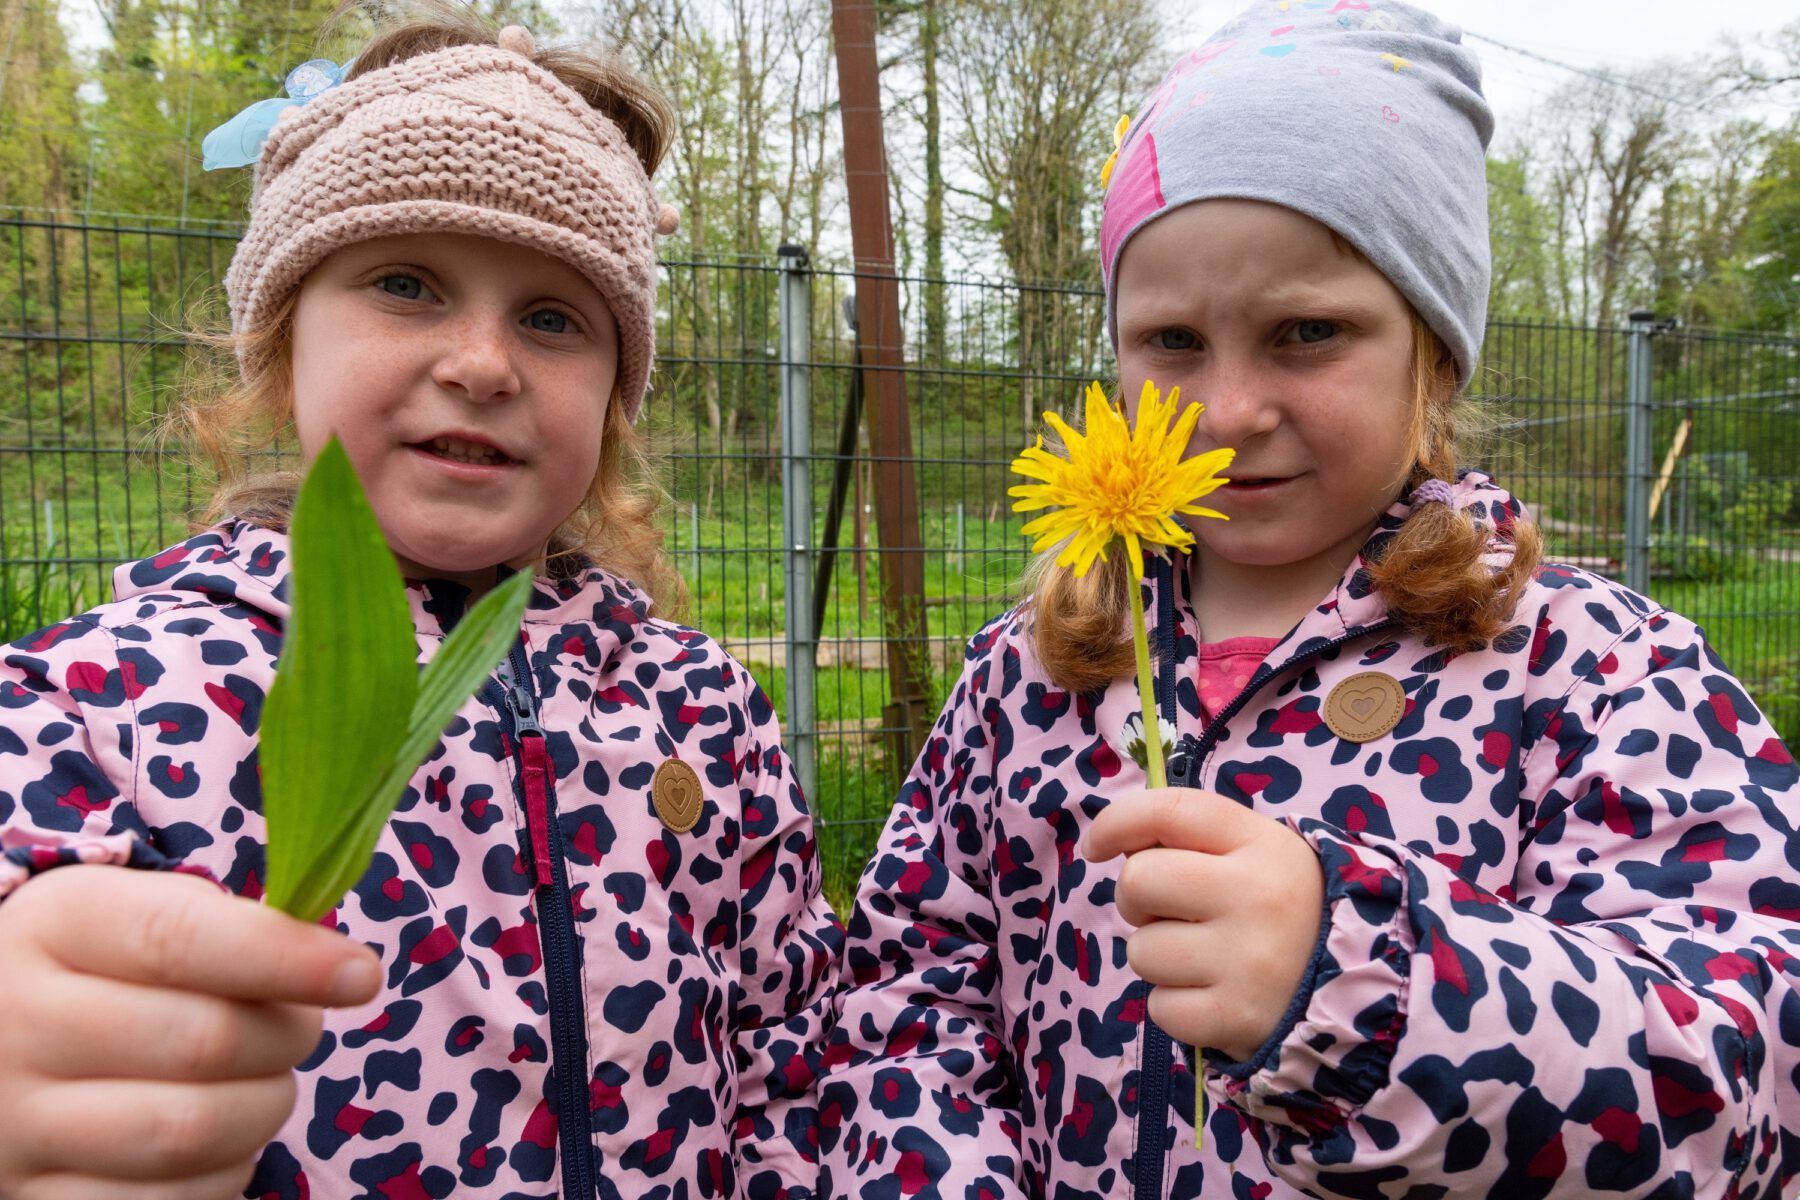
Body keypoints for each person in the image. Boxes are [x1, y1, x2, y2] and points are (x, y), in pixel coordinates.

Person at [818, 3, 1800, 1197]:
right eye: (1171, 339)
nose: (1228, 411)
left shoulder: (1594, 675)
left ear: (1430, 350)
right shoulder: (1029, 680)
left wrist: (1358, 989)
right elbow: (900, 1005)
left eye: (1306, 333)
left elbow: (1741, 1076)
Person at [0, 7, 840, 1198]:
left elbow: (799, 1060)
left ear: (612, 400)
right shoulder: (96, 708)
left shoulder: (705, 712)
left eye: (554, 319)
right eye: (407, 285)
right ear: (281, 345)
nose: (485, 363)